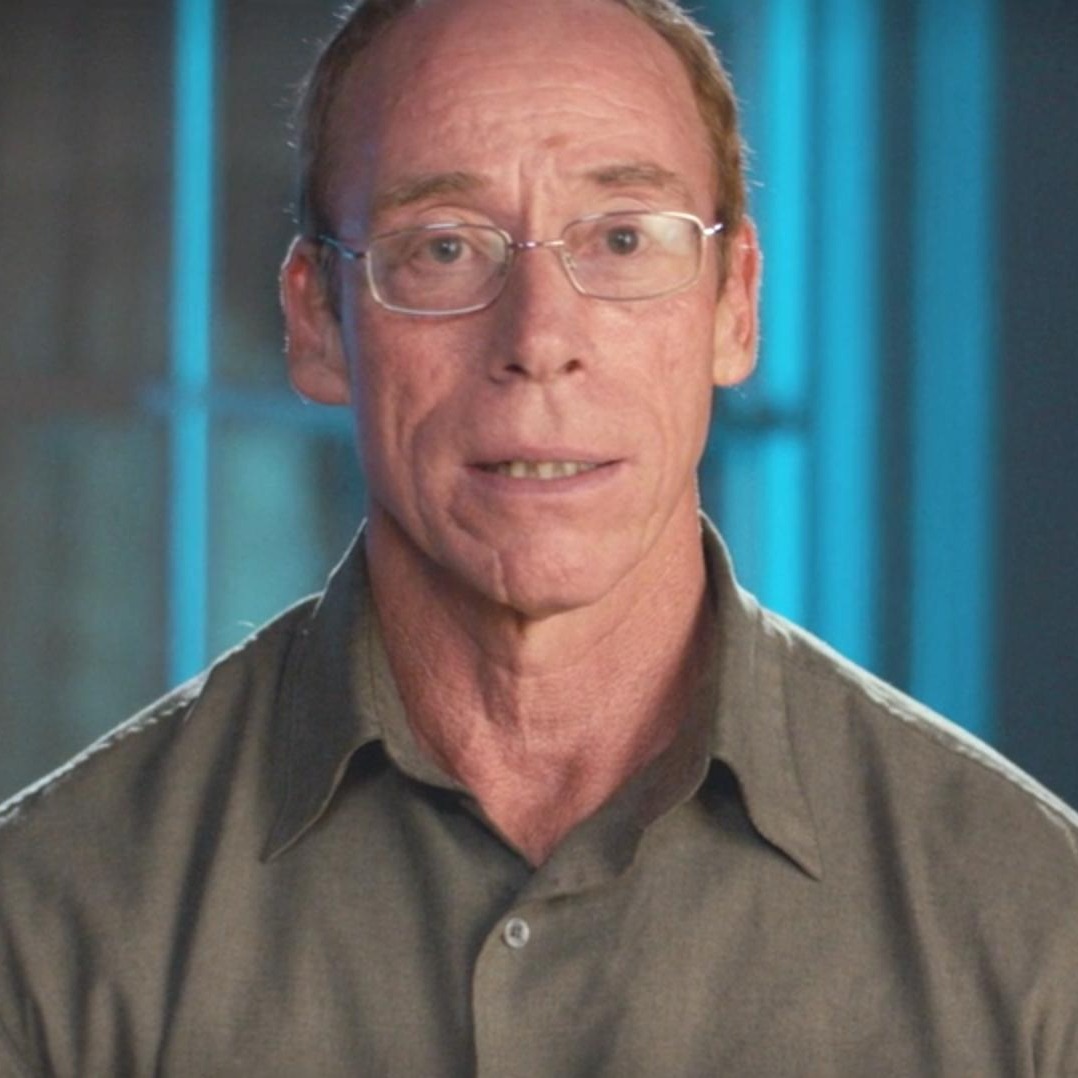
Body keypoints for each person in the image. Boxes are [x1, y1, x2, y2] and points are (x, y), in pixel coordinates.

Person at [1, 0, 1076, 1073]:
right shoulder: (49, 925)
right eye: (444, 247)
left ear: (735, 305)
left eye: (622, 238)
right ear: (318, 320)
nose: (539, 338)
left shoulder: (1031, 925)